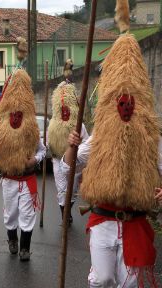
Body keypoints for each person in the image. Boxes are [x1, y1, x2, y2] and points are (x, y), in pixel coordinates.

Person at [62, 4, 162, 286]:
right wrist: (71, 145)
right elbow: (70, 165)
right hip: (103, 221)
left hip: (137, 224)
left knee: (130, 282)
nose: (126, 105)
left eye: (132, 101)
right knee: (102, 278)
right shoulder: (99, 137)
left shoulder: (152, 137)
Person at [0, 39, 46, 261]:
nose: (16, 116)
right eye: (13, 113)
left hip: (28, 179)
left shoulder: (32, 131)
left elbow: (43, 151)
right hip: (8, 179)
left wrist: (34, 161)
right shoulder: (0, 132)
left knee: (27, 214)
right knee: (11, 214)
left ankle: (26, 248)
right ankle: (12, 240)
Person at [47, 59, 89, 223]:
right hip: (58, 160)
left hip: (74, 163)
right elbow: (48, 142)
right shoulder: (52, 124)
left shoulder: (80, 126)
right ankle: (65, 214)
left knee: (71, 190)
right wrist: (51, 152)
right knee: (61, 189)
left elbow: (86, 144)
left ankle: (68, 210)